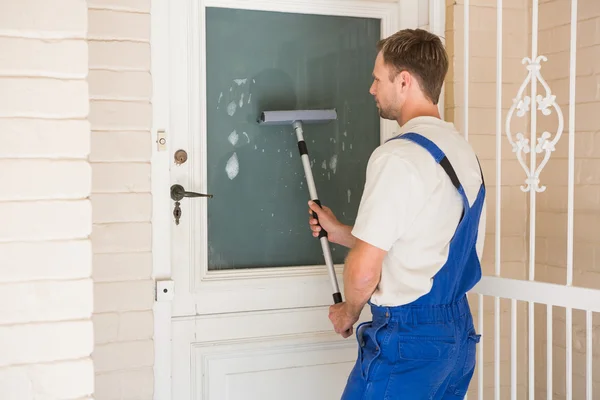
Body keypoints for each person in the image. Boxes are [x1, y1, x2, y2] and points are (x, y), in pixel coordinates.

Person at [307, 28, 486, 399]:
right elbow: (419, 237)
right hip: (455, 339)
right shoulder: (461, 151)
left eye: (377, 78)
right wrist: (340, 231)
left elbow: (365, 267)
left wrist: (349, 311)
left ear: (404, 81)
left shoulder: (397, 156)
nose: (372, 89)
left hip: (408, 341)